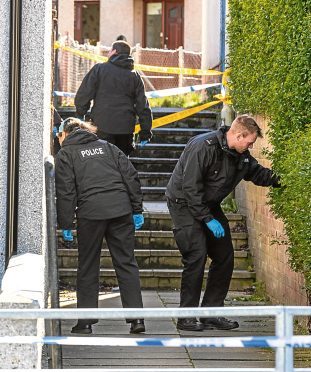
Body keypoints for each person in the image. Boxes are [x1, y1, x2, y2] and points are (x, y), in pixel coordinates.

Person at [165, 115, 280, 331]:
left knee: (224, 256)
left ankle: (211, 313)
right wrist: (207, 219)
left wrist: (283, 179)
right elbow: (190, 188)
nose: (250, 146)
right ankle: (186, 317)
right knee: (196, 256)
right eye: (250, 142)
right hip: (183, 203)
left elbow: (257, 173)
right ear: (239, 135)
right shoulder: (202, 147)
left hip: (209, 203)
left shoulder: (240, 156)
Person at [55, 117, 145, 335]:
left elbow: (66, 191)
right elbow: (131, 177)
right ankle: (137, 320)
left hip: (91, 214)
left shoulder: (66, 154)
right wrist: (136, 209)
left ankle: (85, 323)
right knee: (126, 263)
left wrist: (66, 223)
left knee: (87, 266)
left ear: (65, 134)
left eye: (59, 136)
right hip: (120, 210)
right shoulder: (108, 148)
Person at [74, 40, 152, 156]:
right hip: (125, 130)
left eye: (110, 50)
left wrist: (80, 114)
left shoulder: (99, 69)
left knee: (102, 163)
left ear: (114, 51)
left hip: (101, 126)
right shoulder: (135, 76)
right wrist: (145, 131)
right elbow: (143, 106)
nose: (108, 53)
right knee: (122, 165)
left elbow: (84, 94)